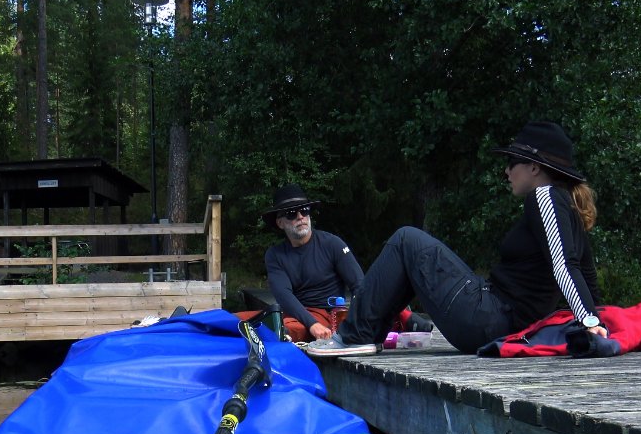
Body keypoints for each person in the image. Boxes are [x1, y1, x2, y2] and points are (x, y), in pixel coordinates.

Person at [306, 121, 604, 357]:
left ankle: (355, 336)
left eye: (512, 162)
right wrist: (600, 319)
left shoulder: (545, 196)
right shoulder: (568, 206)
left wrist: (590, 322)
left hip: (489, 320)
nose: (506, 171)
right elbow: (586, 271)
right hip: (496, 318)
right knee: (414, 255)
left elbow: (565, 266)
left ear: (534, 167)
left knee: (406, 239)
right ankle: (366, 335)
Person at [240, 184, 427, 342]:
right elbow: (284, 296)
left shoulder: (332, 244)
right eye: (291, 214)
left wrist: (355, 317)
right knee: (236, 320)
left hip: (331, 313)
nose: (300, 217)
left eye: (304, 210)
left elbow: (359, 284)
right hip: (298, 313)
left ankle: (402, 315)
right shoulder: (275, 254)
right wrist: (311, 323)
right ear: (280, 223)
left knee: (284, 330)